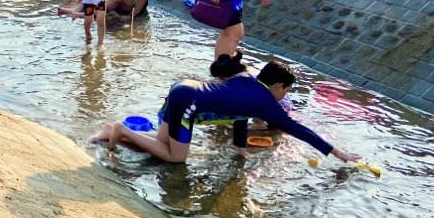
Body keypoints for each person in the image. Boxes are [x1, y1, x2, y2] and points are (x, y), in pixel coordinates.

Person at [90, 56, 360, 164]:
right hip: (189, 103)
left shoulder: (247, 80)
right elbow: (301, 131)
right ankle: (121, 128)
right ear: (279, 86)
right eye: (286, 90)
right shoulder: (266, 102)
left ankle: (109, 134)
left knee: (159, 145)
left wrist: (240, 150)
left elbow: (240, 116)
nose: (284, 96)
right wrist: (337, 152)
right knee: (176, 158)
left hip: (183, 88)